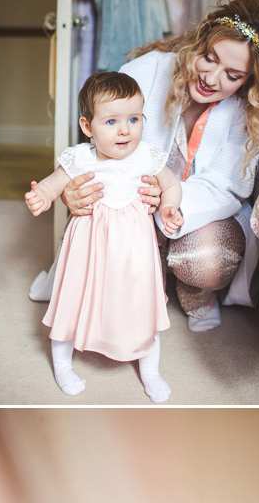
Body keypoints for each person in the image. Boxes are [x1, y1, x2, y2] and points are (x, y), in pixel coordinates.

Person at [32, 0, 259, 333]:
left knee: (206, 262)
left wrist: (171, 200)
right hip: (128, 203)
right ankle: (138, 278)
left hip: (195, 212)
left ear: (250, 80)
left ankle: (194, 292)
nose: (211, 78)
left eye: (233, 75)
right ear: (201, 40)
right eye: (209, 58)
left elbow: (228, 187)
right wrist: (71, 193)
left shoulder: (254, 111)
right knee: (97, 254)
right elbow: (100, 147)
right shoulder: (146, 71)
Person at [25, 71, 183, 401]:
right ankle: (63, 363)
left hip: (136, 254)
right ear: (88, 127)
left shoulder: (148, 156)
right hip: (89, 251)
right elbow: (54, 184)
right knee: (74, 301)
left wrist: (169, 207)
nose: (125, 130)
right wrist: (42, 195)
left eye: (134, 119)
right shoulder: (80, 157)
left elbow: (172, 185)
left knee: (142, 306)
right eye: (111, 122)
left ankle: (151, 370)